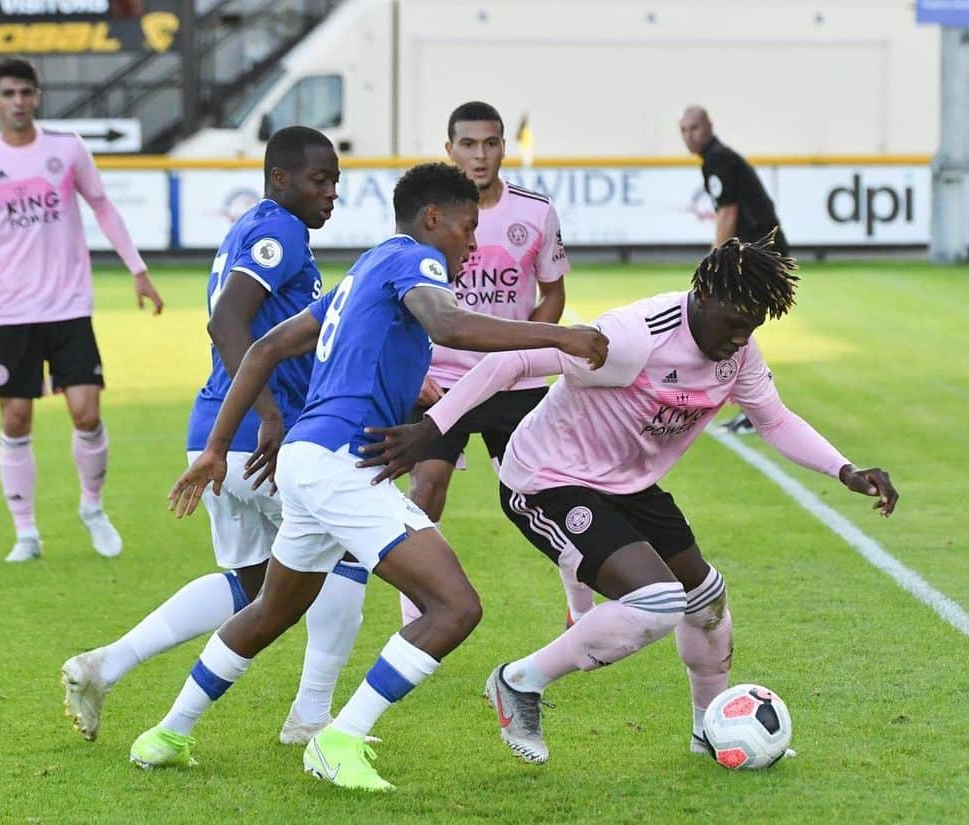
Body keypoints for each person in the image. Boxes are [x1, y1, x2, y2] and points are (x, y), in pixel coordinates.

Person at [130, 162, 608, 790]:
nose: (473, 244)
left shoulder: (364, 269)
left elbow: (266, 348)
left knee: (272, 610)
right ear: (432, 218)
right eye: (468, 228)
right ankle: (339, 738)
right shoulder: (417, 260)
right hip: (339, 467)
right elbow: (450, 325)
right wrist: (564, 337)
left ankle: (166, 734)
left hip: (307, 461)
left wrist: (218, 446)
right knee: (454, 607)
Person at [358, 232, 898, 765]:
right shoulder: (637, 337)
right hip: (548, 478)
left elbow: (774, 419)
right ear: (702, 296)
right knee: (659, 601)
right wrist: (434, 425)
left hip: (628, 484)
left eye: (753, 326)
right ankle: (519, 682)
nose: (742, 337)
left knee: (705, 599)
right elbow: (516, 362)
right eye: (736, 322)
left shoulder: (739, 353)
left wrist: (844, 469)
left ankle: (708, 731)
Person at [61, 126, 368, 747]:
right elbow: (225, 321)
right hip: (261, 439)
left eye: (336, 179)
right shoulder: (279, 230)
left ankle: (106, 664)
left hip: (219, 437)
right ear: (280, 179)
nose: (331, 192)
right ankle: (310, 718)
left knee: (254, 585)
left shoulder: (254, 227)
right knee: (351, 551)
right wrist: (272, 414)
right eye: (319, 179)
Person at [0, 57, 163, 562]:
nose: (18, 101)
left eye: (26, 92)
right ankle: (26, 533)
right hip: (12, 312)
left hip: (69, 306)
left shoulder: (66, 148)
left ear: (37, 96)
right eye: (9, 93)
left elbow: (102, 205)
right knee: (17, 419)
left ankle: (93, 508)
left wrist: (138, 269)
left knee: (86, 413)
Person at [400, 101, 580, 625]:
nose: (481, 155)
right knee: (427, 488)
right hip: (445, 381)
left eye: (491, 143)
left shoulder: (536, 211)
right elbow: (403, 299)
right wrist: (418, 372)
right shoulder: (425, 218)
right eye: (469, 144)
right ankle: (416, 615)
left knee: (548, 490)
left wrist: (527, 355)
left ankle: (578, 601)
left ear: (505, 146)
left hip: (516, 381)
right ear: (449, 149)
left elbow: (553, 293)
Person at [679, 104, 788, 434]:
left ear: (709, 126)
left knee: (736, 330)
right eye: (683, 130)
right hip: (759, 252)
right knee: (737, 331)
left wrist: (715, 264)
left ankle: (756, 408)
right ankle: (751, 407)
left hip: (757, 254)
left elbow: (728, 212)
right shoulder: (717, 158)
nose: (689, 136)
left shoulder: (718, 160)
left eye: (694, 128)